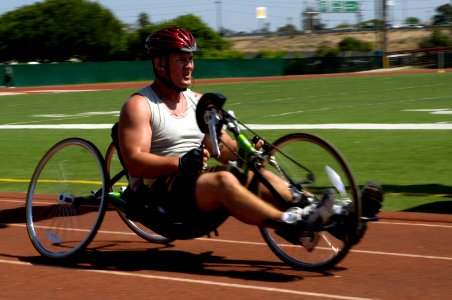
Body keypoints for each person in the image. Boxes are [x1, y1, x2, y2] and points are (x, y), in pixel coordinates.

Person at [117, 27, 382, 249]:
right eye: (181, 60)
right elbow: (135, 163)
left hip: (197, 179)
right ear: (160, 63)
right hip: (162, 191)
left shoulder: (197, 101)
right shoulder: (140, 105)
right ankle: (290, 224)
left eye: (190, 59)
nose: (189, 66)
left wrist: (249, 152)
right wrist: (181, 162)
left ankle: (337, 216)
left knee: (254, 174)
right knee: (223, 179)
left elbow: (218, 145)